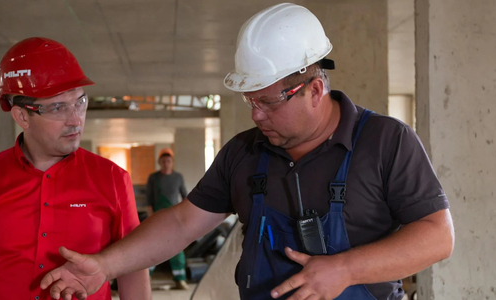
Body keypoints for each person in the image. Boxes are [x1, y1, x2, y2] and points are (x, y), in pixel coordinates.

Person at [39, 3, 454, 300]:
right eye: (249, 101)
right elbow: (183, 223)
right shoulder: (244, 153)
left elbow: (438, 236)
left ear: (313, 90)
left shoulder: (385, 141)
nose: (256, 115)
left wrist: (346, 269)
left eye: (268, 103)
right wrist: (106, 266)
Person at [0, 37, 150, 300]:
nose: (75, 119)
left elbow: (133, 268)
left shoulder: (112, 179)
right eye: (58, 107)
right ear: (22, 116)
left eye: (80, 102)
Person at [145, 148, 189, 290]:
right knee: (152, 247)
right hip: (158, 217)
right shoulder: (153, 178)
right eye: (163, 161)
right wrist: (150, 217)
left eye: (168, 161)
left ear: (172, 163)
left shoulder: (178, 177)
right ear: (159, 162)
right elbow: (149, 200)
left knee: (177, 248)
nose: (166, 163)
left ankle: (180, 279)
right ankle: (146, 279)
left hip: (174, 217)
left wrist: (185, 216)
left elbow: (185, 197)